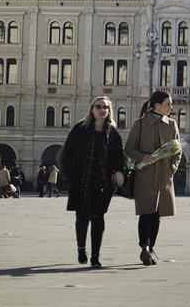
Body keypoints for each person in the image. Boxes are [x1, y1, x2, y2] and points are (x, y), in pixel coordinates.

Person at [59, 96, 125, 268]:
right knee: (81, 218)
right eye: (99, 107)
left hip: (103, 181)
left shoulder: (112, 132)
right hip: (82, 180)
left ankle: (95, 257)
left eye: (106, 107)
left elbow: (119, 156)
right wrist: (71, 176)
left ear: (109, 111)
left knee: (98, 218)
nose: (102, 110)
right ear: (92, 110)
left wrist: (118, 171)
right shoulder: (80, 129)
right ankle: (81, 249)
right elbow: (66, 155)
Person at [125, 90, 181, 266]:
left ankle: (149, 248)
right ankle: (145, 247)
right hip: (145, 176)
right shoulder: (139, 124)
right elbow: (129, 148)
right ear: (157, 106)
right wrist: (142, 157)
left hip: (164, 176)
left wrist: (172, 168)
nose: (171, 107)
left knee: (157, 214)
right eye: (168, 104)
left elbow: (177, 150)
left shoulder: (171, 124)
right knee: (146, 213)